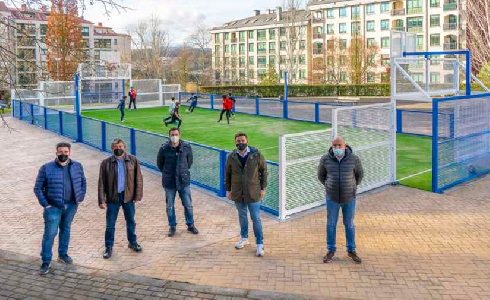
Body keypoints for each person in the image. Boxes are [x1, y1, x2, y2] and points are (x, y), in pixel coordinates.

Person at [34, 142, 87, 275]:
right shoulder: (46, 168)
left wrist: (79, 197)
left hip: (71, 205)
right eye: (60, 152)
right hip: (53, 207)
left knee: (66, 229)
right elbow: (38, 188)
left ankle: (62, 254)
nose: (63, 154)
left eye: (66, 152)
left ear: (69, 152)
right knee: (50, 234)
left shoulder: (77, 166)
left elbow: (83, 182)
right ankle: (46, 261)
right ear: (56, 153)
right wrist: (46, 204)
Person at [317, 136, 364, 264]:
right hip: (332, 198)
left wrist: (351, 187)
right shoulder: (325, 159)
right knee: (331, 224)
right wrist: (329, 186)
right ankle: (331, 250)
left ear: (345, 146)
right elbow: (321, 176)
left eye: (339, 145)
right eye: (335, 146)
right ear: (332, 147)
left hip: (349, 197)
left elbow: (359, 175)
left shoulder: (354, 159)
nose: (337, 148)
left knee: (349, 224)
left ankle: (351, 250)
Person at [98, 138, 143, 259]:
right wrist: (102, 200)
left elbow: (138, 179)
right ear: (112, 148)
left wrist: (138, 195)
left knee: (131, 221)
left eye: (121, 146)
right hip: (113, 197)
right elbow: (101, 182)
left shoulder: (133, 160)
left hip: (128, 196)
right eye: (116, 147)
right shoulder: (106, 163)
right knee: (110, 224)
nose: (118, 149)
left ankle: (132, 242)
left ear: (125, 147)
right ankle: (108, 247)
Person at [225, 132, 267, 257]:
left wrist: (263, 188)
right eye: (238, 141)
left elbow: (264, 171)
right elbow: (227, 174)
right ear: (235, 142)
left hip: (253, 192)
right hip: (238, 192)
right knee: (242, 216)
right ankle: (244, 238)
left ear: (247, 141)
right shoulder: (231, 156)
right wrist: (228, 190)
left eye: (242, 140)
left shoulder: (256, 155)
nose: (240, 143)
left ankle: (260, 244)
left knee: (256, 218)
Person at [156, 128, 199, 237]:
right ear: (169, 136)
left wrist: (182, 172)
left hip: (183, 180)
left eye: (176, 134)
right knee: (170, 205)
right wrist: (167, 173)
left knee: (188, 205)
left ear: (180, 135)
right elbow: (160, 164)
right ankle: (172, 226)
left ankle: (190, 224)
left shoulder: (186, 147)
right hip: (169, 181)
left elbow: (189, 162)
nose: (174, 136)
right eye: (172, 134)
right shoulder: (164, 148)